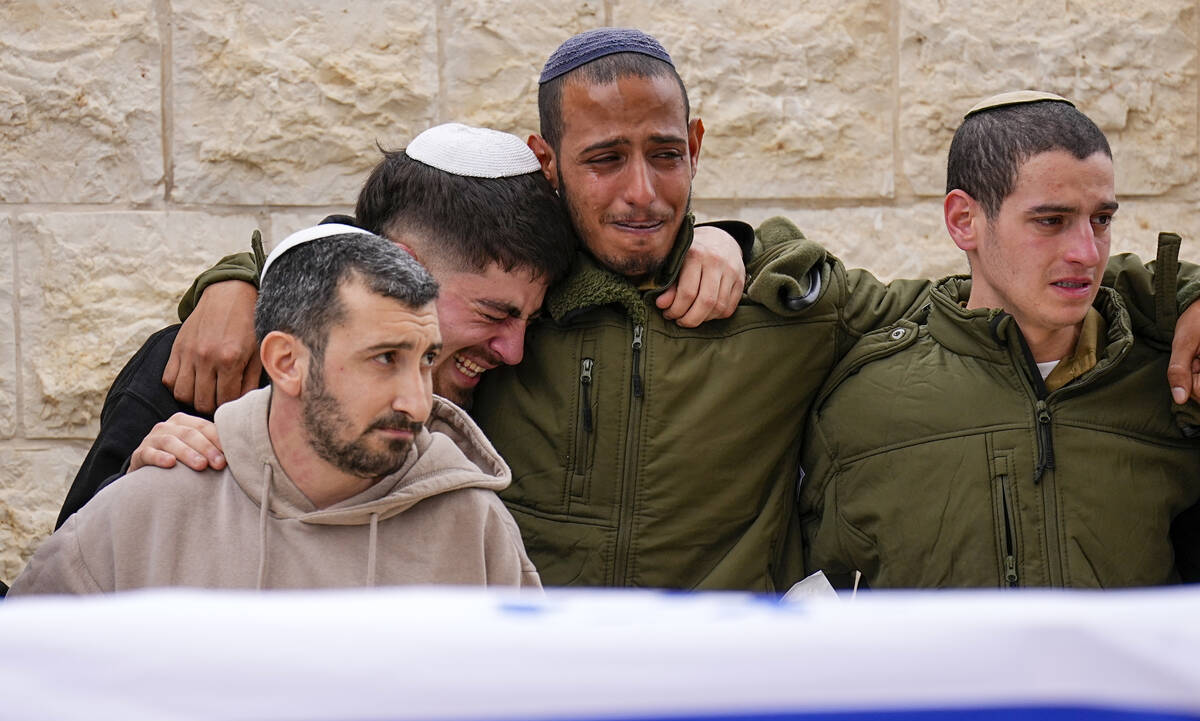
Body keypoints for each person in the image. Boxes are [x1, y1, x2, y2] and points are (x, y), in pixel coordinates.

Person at [138, 30, 1200, 592]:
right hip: (519, 680)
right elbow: (383, 249)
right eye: (604, 160)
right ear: (549, 162)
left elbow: (996, 299)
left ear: (697, 147)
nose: (642, 192)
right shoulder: (507, 309)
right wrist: (235, 273)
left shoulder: (793, 302)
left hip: (712, 698)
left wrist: (1188, 295)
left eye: (664, 155)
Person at [55, 124, 577, 527]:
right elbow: (72, 600)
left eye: (530, 318)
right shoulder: (209, 366)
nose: (514, 352)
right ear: (404, 268)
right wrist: (137, 494)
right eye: (493, 313)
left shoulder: (509, 386)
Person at [796, 91, 1200, 589]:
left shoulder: (1168, 382)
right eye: (1050, 221)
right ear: (964, 220)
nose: (1086, 252)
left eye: (1101, 219)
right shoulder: (864, 405)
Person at [12, 226, 540, 594]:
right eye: (384, 359)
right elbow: (28, 688)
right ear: (286, 362)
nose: (417, 402)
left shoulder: (475, 527)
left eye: (425, 360)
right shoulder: (149, 511)